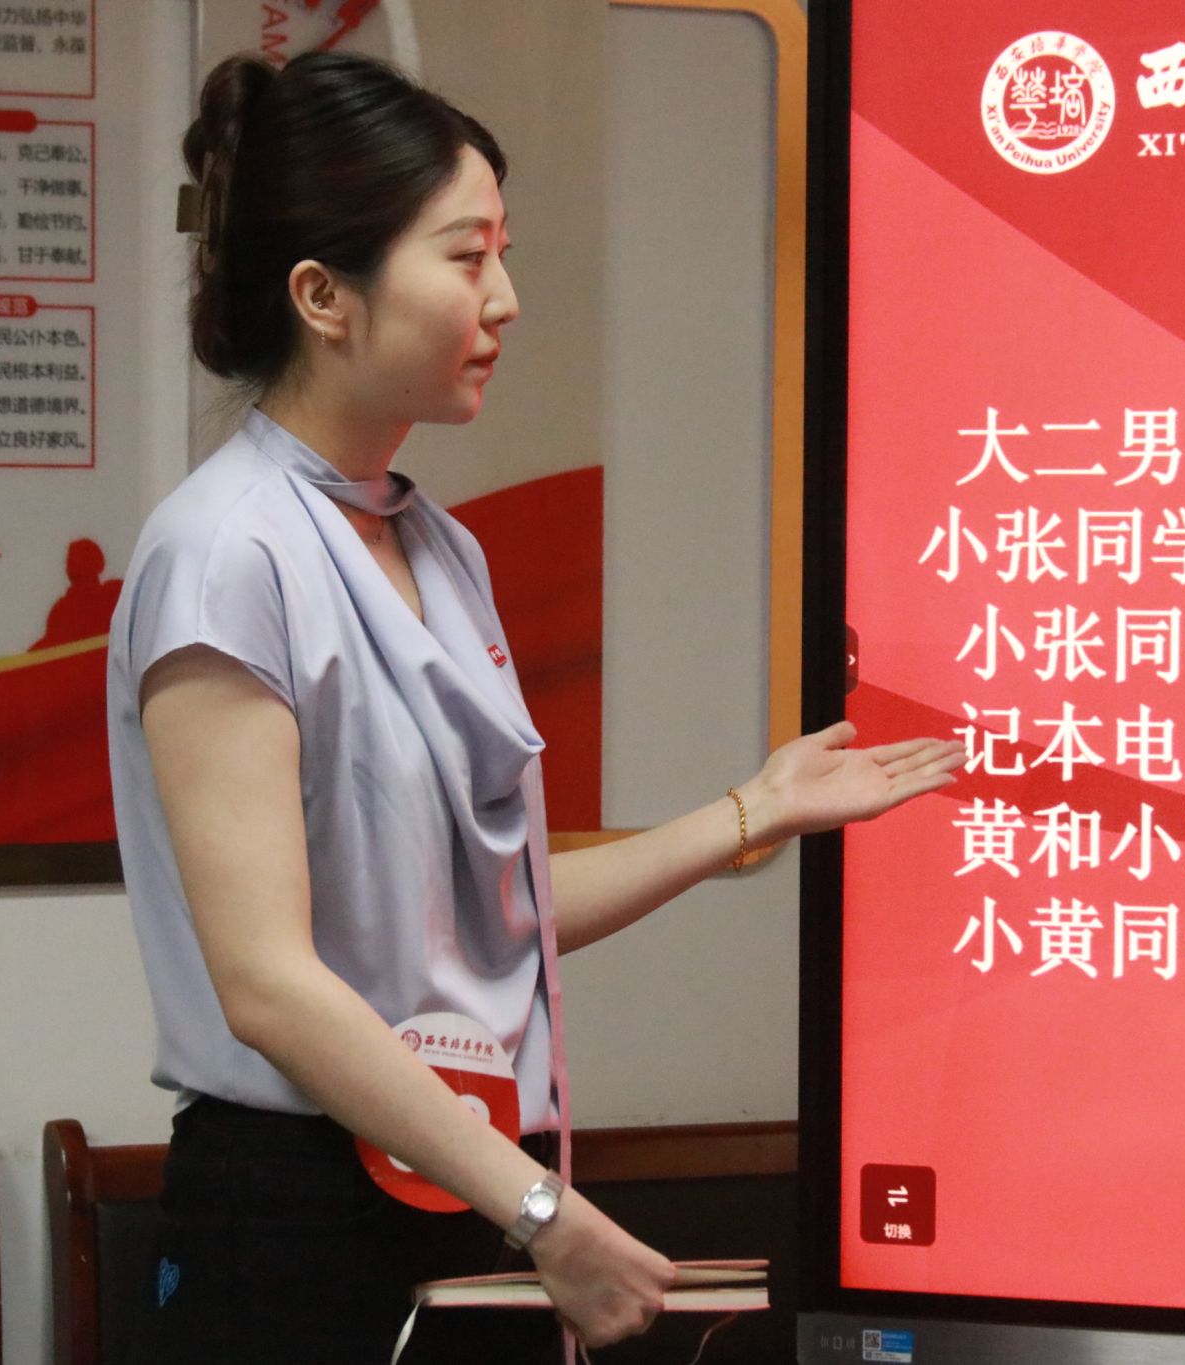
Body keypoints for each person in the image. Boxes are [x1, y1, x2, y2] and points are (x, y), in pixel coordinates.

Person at [107, 50, 962, 1363]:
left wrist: (755, 809)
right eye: (467, 258)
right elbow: (269, 985)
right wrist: (543, 1212)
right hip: (301, 1205)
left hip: (466, 1167)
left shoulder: (439, 546)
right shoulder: (225, 551)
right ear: (323, 296)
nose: (505, 299)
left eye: (503, 253)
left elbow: (491, 922)